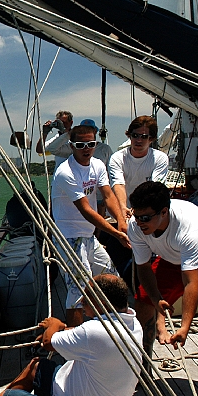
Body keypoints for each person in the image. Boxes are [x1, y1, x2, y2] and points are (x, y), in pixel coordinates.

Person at [0, 274, 143, 396]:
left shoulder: (93, 332)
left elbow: (48, 342)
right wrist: (64, 328)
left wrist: (54, 324)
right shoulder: (133, 324)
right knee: (37, 366)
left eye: (86, 299)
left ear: (100, 302)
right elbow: (88, 336)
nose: (81, 303)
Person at [127, 181, 198, 396]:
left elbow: (191, 282)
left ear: (164, 212)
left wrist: (185, 326)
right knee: (142, 302)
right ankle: (144, 370)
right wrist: (155, 299)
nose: (139, 223)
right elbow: (142, 267)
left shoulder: (187, 228)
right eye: (136, 216)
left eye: (145, 218)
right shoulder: (137, 225)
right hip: (170, 257)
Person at [51, 124, 130, 326]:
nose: (86, 148)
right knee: (78, 290)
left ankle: (115, 327)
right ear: (71, 145)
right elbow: (86, 210)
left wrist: (122, 221)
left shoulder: (97, 165)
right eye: (80, 144)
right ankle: (76, 341)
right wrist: (115, 233)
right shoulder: (65, 172)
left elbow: (108, 195)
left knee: (112, 278)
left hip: (88, 237)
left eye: (91, 144)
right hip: (69, 237)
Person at [108, 115, 169, 225]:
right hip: (123, 212)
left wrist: (139, 210)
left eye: (144, 137)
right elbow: (118, 184)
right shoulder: (117, 158)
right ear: (129, 136)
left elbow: (154, 188)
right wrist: (123, 207)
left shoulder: (160, 158)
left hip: (148, 213)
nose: (139, 140)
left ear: (151, 139)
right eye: (135, 135)